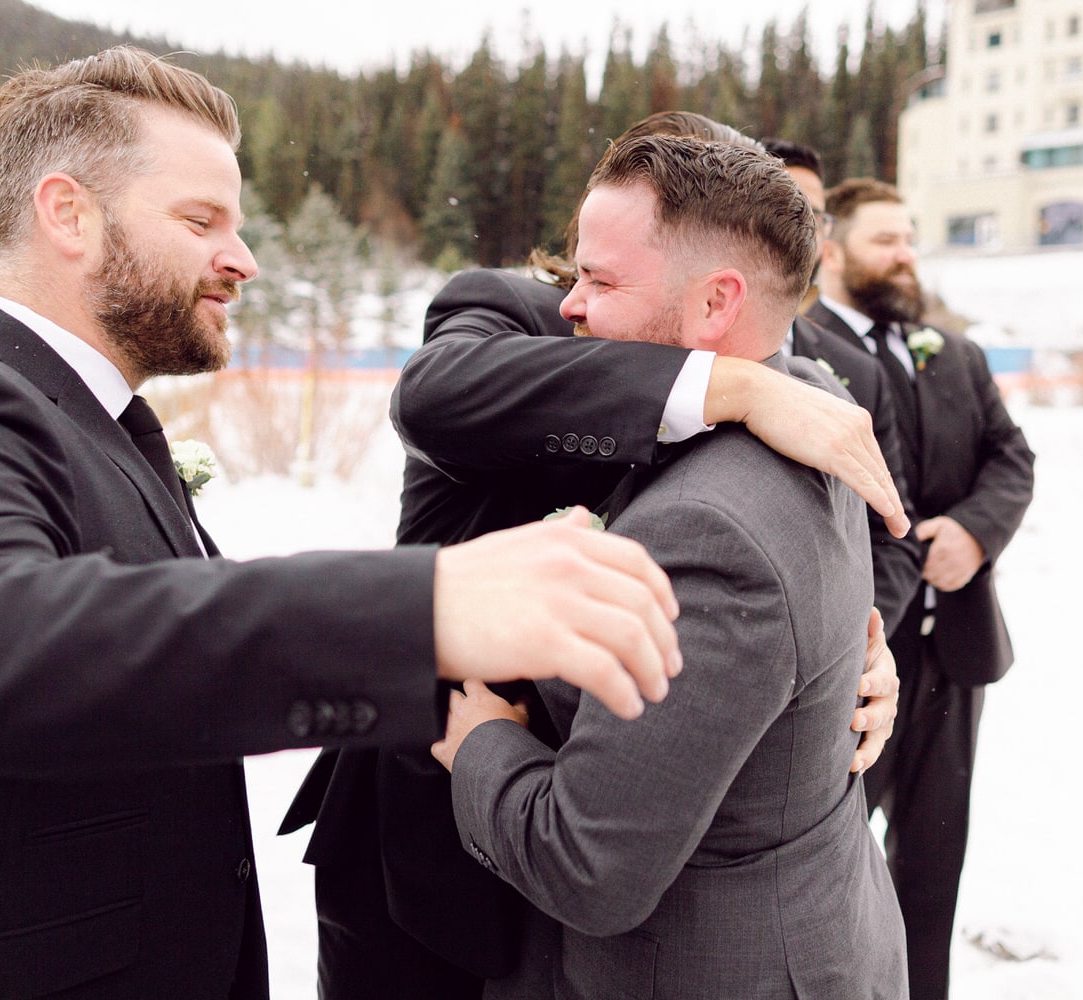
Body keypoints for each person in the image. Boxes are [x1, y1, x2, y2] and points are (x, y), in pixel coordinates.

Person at [0, 47, 685, 1000]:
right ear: (67, 213)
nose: (244, 259)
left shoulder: (102, 426)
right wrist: (427, 608)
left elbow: (149, 673)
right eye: (201, 221)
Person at [283, 110, 908, 1000]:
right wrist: (715, 383)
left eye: (602, 276)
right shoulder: (518, 314)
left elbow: (793, 568)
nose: (578, 298)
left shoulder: (807, 391)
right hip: (422, 851)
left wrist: (850, 656)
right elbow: (432, 397)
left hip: (609, 867)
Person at [807, 176, 1036, 1000]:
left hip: (959, 651)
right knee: (826, 865)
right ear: (830, 252)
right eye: (885, 240)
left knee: (934, 866)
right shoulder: (803, 352)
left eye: (910, 238)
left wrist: (975, 534)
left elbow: (1013, 458)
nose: (906, 255)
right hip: (859, 661)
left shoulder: (955, 352)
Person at [763, 136, 921, 632]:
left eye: (815, 215)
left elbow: (891, 531)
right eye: (784, 207)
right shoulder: (678, 344)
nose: (803, 229)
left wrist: (854, 648)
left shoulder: (856, 369)